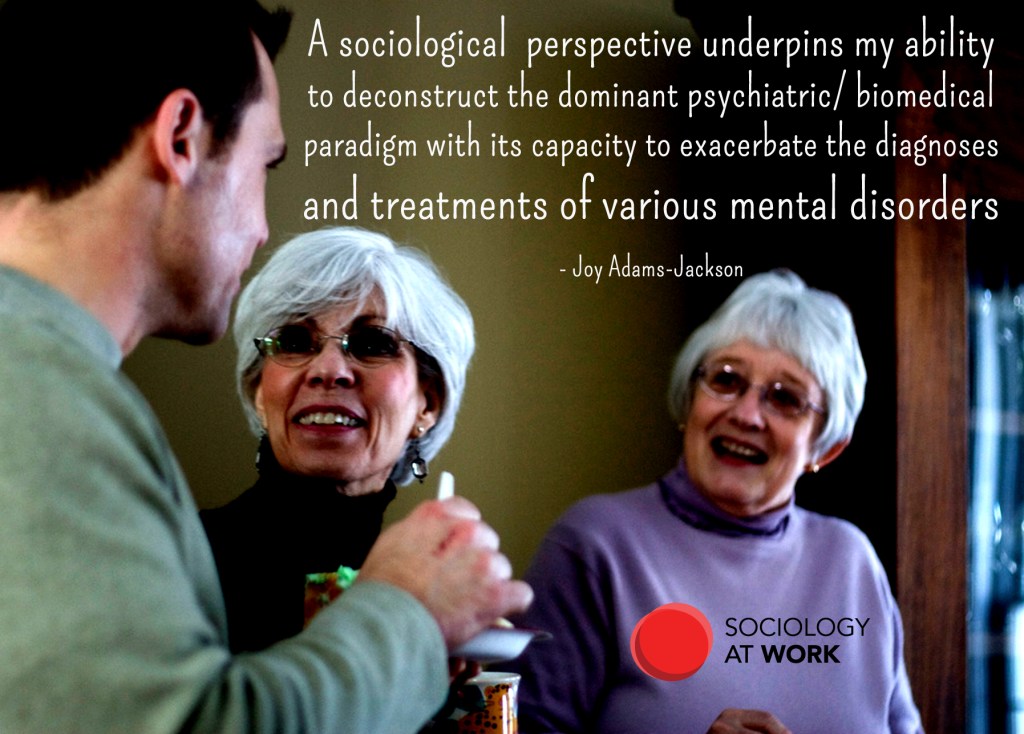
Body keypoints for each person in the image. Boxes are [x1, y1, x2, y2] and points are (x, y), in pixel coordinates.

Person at [0, 2, 530, 733]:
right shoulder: (43, 395)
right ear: (181, 136)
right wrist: (406, 614)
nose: (262, 227)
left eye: (372, 344)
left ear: (430, 399)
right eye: (265, 165)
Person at [506, 270, 922, 734]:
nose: (746, 414)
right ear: (690, 399)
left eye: (785, 398)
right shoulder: (594, 546)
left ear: (825, 448)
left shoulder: (852, 561)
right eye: (726, 380)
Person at [201, 226, 475, 653]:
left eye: (372, 343)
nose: (328, 369)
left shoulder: (439, 593)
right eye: (294, 341)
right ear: (258, 392)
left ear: (428, 404)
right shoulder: (178, 559)